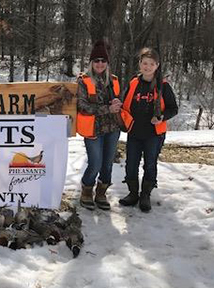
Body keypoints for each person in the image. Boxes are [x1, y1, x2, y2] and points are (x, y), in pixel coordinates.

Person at [118, 47, 178, 212]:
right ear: (140, 64)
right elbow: (123, 103)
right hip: (135, 132)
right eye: (145, 63)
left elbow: (173, 108)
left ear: (157, 65)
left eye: (151, 64)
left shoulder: (163, 86)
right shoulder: (133, 83)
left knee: (150, 164)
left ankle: (145, 195)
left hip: (154, 134)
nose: (147, 67)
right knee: (131, 164)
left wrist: (161, 117)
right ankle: (132, 194)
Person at [76, 40, 122, 211]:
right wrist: (107, 108)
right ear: (91, 63)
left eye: (103, 61)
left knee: (107, 164)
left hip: (112, 129)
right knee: (95, 163)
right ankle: (86, 191)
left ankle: (101, 193)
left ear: (107, 63)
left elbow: (119, 100)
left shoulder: (114, 80)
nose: (100, 64)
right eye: (97, 61)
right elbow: (82, 106)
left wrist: (118, 103)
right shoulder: (83, 81)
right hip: (93, 129)